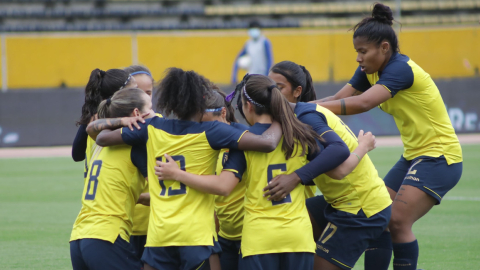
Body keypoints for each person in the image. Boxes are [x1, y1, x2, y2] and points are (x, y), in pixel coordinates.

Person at [311, 3, 463, 270]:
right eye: (357, 52)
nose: (358, 58)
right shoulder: (369, 71)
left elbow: (361, 104)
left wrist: (300, 109)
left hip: (440, 156)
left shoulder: (400, 69)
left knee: (397, 221)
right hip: (414, 156)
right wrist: (298, 110)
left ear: (384, 48)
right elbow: (337, 101)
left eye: (363, 52)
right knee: (378, 212)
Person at [86, 68, 283, 270]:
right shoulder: (214, 131)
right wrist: (282, 116)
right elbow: (267, 143)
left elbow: (99, 136)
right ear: (200, 102)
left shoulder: (151, 127)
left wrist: (123, 121)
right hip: (196, 238)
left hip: (159, 238)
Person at [155, 74, 325, 270]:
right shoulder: (301, 134)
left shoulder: (243, 141)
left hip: (259, 239)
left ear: (248, 107)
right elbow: (330, 162)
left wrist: (177, 174)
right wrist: (298, 177)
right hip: (298, 238)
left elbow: (224, 186)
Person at [265, 62, 393, 270]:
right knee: (287, 223)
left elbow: (339, 163)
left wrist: (295, 177)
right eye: (268, 87)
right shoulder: (295, 117)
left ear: (297, 91)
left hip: (358, 208)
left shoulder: (304, 117)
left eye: (278, 88)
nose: (271, 93)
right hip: (343, 202)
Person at [70, 88, 152, 270]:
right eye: (151, 108)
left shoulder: (100, 139)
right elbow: (159, 195)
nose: (154, 113)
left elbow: (91, 127)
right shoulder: (134, 146)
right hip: (107, 237)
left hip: (78, 236)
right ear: (137, 113)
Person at [202, 86, 249, 270]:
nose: (206, 130)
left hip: (249, 236)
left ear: (223, 113)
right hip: (224, 236)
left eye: (209, 124)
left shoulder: (244, 140)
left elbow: (223, 187)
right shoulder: (204, 144)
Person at [71, 68, 137, 182]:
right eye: (134, 91)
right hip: (111, 191)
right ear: (119, 96)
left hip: (93, 194)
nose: (138, 94)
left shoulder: (92, 119)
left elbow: (77, 155)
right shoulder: (122, 123)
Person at [123, 64, 157, 260]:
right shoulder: (114, 129)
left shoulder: (161, 125)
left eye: (149, 92)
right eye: (137, 92)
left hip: (153, 225)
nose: (144, 98)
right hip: (126, 223)